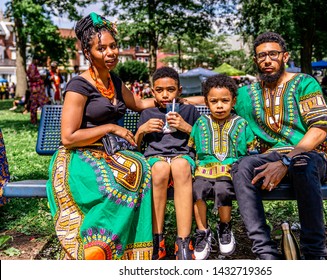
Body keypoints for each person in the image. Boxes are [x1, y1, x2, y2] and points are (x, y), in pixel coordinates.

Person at [46, 12, 157, 260]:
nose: (110, 53)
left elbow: (138, 104)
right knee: (127, 174)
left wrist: (175, 99)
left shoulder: (114, 81)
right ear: (88, 53)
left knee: (140, 168)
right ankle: (95, 247)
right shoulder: (78, 86)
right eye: (102, 49)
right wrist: (110, 128)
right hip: (79, 155)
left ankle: (128, 251)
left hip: (109, 151)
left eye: (113, 46)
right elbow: (68, 137)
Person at [231, 32, 327, 260]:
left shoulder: (304, 83)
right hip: (272, 157)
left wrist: (285, 162)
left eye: (273, 54)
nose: (267, 60)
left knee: (302, 164)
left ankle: (315, 254)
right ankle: (266, 253)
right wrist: (146, 103)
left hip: (311, 156)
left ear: (285, 56)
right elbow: (211, 98)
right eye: (261, 56)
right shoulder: (246, 94)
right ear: (255, 61)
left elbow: (318, 130)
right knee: (241, 167)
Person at [135, 66, 201, 260]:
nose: (165, 94)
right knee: (161, 168)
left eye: (170, 90)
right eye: (160, 90)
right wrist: (142, 131)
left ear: (179, 91)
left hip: (182, 157)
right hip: (156, 158)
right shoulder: (147, 114)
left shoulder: (189, 111)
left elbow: (202, 142)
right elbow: (137, 148)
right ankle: (157, 240)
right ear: (152, 91)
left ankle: (183, 241)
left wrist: (186, 127)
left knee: (180, 166)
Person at [188, 74, 257, 260]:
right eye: (214, 101)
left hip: (229, 171)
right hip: (204, 169)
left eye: (225, 101)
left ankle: (224, 227)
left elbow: (250, 150)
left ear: (233, 101)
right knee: (197, 189)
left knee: (222, 189)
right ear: (206, 102)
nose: (219, 106)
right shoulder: (201, 123)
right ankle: (202, 231)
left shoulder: (240, 124)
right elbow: (192, 148)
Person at [27, 56, 50, 124]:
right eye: (37, 60)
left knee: (38, 105)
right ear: (34, 59)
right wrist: (41, 76)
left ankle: (36, 121)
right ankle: (42, 121)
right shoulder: (32, 66)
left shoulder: (33, 67)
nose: (38, 61)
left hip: (37, 89)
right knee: (40, 105)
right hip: (36, 89)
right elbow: (32, 77)